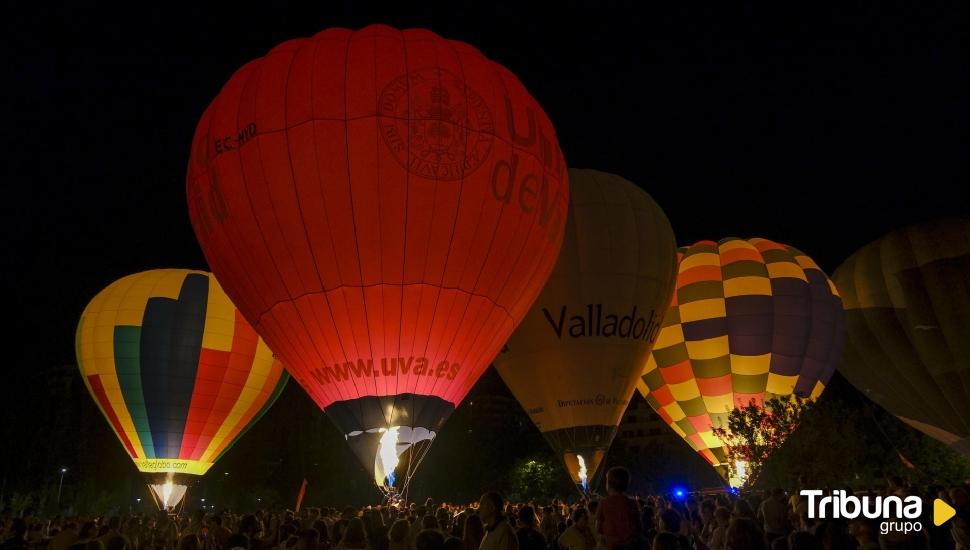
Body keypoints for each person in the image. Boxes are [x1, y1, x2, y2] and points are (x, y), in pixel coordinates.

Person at [594, 468, 642, 549]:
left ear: (608, 485)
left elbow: (598, 528)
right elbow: (639, 526)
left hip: (611, 546)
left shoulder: (604, 503)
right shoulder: (633, 503)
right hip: (630, 546)